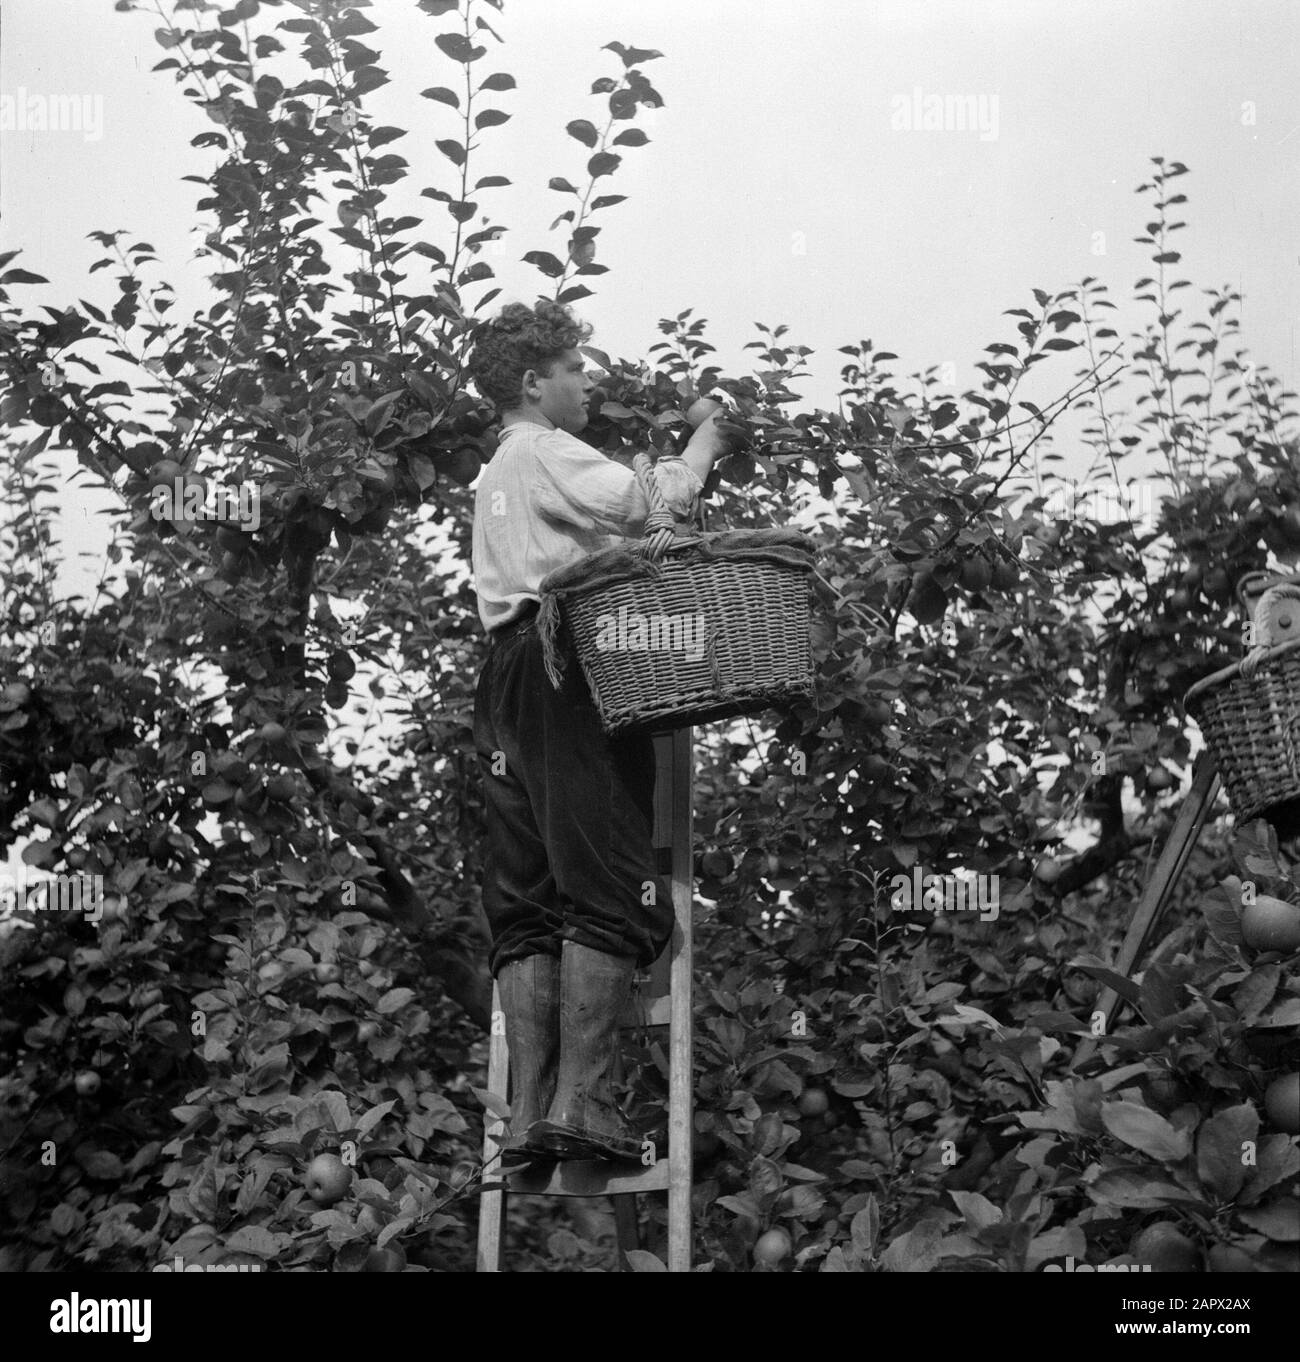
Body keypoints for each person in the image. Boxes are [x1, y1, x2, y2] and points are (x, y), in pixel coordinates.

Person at [467, 299, 730, 1163]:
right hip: (563, 663)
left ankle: (533, 1112)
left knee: (525, 897)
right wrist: (704, 444)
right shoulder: (546, 450)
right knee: (611, 871)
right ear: (534, 383)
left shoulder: (493, 473)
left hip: (502, 678)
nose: (588, 382)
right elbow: (647, 501)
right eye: (576, 369)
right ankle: (586, 1104)